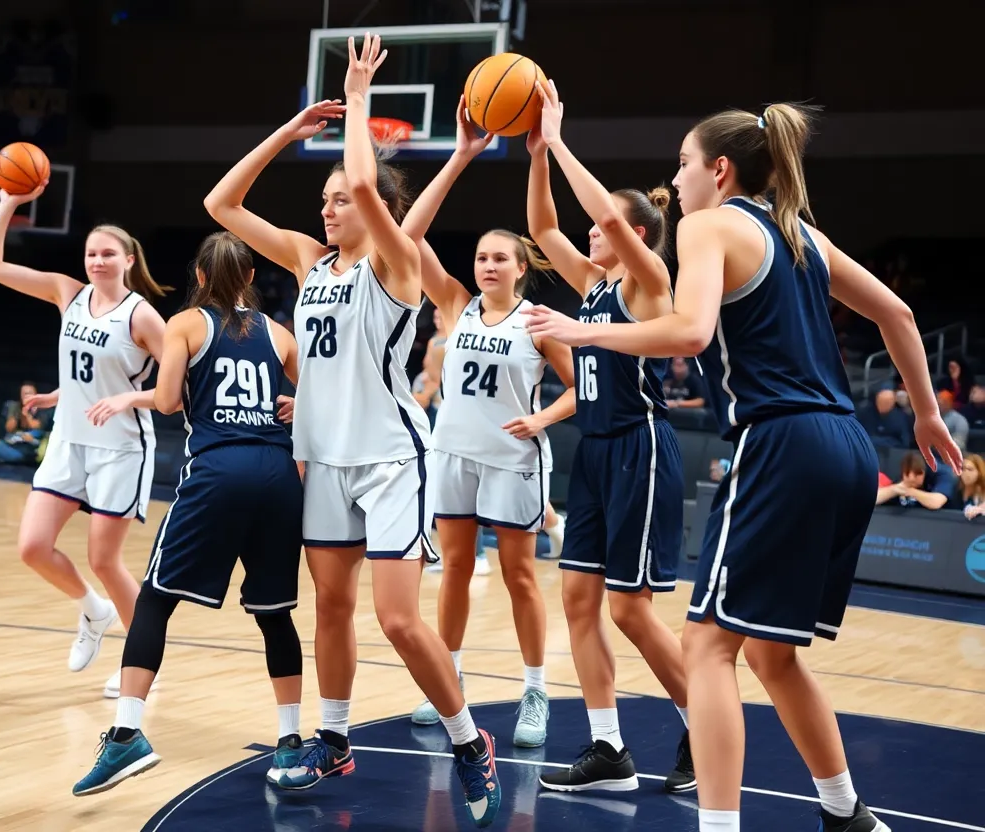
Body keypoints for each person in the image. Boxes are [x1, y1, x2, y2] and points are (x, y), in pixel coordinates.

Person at [522, 102, 961, 832]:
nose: (677, 178)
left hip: (781, 442)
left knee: (706, 646)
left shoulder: (707, 225)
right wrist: (925, 413)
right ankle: (846, 813)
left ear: (717, 171)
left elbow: (690, 332)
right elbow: (900, 316)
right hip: (847, 446)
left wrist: (580, 327)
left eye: (684, 163)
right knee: (770, 655)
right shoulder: (801, 235)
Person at [204, 33, 501, 828]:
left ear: (375, 210)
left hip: (391, 459)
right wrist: (288, 133)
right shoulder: (308, 260)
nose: (329, 207)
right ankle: (332, 739)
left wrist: (360, 96)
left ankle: (470, 741)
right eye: (325, 200)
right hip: (323, 459)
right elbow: (222, 206)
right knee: (329, 609)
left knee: (399, 620)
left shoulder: (398, 264)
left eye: (340, 198)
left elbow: (374, 191)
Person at [72, 232, 306, 795]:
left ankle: (127, 733)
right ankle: (291, 743)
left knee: (154, 599)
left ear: (200, 279)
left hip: (218, 471)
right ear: (251, 278)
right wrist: (300, 406)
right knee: (274, 613)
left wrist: (138, 395)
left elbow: (171, 399)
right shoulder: (280, 335)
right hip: (278, 476)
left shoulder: (185, 325)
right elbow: (320, 401)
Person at [523, 80, 693, 793]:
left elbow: (605, 219)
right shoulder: (593, 286)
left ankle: (706, 727)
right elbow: (542, 226)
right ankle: (608, 748)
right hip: (593, 454)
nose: (590, 233)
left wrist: (562, 140)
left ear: (635, 234)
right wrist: (536, 153)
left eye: (605, 227)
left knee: (629, 608)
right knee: (580, 603)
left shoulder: (648, 279)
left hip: (640, 447)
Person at [397, 96, 577, 749]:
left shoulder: (537, 321)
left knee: (519, 575)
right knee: (455, 566)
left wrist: (542, 417)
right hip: (453, 453)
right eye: (480, 257)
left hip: (511, 458)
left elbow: (583, 388)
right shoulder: (453, 304)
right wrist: (460, 154)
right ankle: (446, 682)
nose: (488, 265)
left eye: (500, 258)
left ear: (522, 270)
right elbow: (410, 238)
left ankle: (536, 690)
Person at [0, 181, 170, 698]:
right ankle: (93, 609)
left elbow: (175, 391)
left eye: (108, 253)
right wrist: (10, 204)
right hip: (69, 440)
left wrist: (130, 399)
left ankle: (142, 665)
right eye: (91, 253)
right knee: (33, 547)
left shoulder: (144, 316)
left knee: (106, 560)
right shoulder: (69, 292)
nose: (97, 261)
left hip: (121, 447)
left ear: (128, 260)